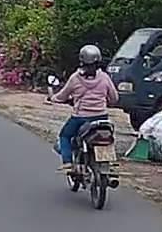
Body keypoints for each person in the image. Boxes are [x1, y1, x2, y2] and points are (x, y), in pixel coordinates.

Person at [47, 44, 118, 173]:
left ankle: (67, 162)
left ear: (81, 60)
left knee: (64, 136)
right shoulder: (105, 77)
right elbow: (114, 98)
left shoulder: (75, 78)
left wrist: (52, 98)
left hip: (80, 118)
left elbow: (62, 96)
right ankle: (108, 163)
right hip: (102, 117)